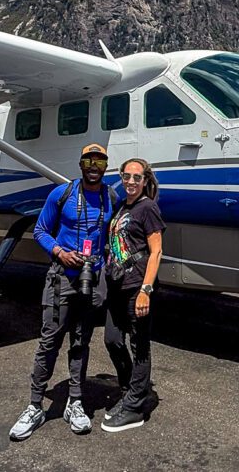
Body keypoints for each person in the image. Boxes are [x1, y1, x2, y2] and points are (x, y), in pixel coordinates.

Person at [9, 143, 116, 441]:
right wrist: (60, 252)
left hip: (91, 279)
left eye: (100, 162)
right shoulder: (62, 193)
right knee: (49, 341)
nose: (94, 166)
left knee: (81, 341)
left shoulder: (110, 197)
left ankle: (75, 402)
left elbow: (114, 234)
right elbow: (40, 231)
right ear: (80, 165)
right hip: (61, 278)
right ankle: (35, 406)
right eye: (88, 161)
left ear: (105, 167)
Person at [100, 158, 165, 433]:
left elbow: (156, 252)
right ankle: (131, 390)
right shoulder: (121, 207)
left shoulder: (147, 208)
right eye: (126, 176)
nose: (130, 181)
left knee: (140, 347)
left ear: (145, 180)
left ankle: (135, 408)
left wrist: (145, 291)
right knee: (112, 339)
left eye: (136, 177)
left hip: (137, 286)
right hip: (117, 286)